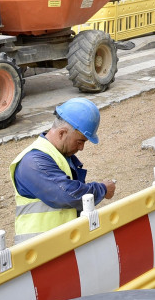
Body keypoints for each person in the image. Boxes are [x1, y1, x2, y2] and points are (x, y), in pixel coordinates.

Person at [10, 98, 116, 243]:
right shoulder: (34, 161)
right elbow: (68, 194)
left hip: (60, 245)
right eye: (80, 141)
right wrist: (102, 189)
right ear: (62, 133)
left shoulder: (61, 156)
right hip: (37, 251)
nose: (81, 148)